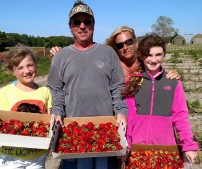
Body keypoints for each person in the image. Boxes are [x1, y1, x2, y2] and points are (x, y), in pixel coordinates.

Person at [46, 1, 128, 169]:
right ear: (70, 26)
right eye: (77, 22)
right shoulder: (61, 57)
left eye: (87, 22)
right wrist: (57, 112)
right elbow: (57, 90)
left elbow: (117, 87)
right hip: (73, 130)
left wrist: (120, 112)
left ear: (93, 25)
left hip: (106, 129)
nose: (82, 26)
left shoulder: (107, 53)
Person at [123, 33, 198, 166]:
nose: (153, 60)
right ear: (141, 55)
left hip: (166, 148)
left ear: (164, 55)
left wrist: (188, 145)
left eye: (158, 55)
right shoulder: (133, 82)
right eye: (149, 55)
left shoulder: (174, 83)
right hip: (138, 149)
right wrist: (127, 143)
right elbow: (129, 116)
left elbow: (180, 116)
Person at [0, 44, 52, 169]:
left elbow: (50, 122)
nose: (27, 71)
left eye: (30, 65)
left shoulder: (45, 92)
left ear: (36, 65)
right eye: (20, 67)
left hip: (36, 157)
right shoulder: (5, 92)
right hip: (8, 157)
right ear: (12, 71)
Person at [50, 26, 180, 80]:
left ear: (135, 42)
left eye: (129, 42)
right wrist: (61, 53)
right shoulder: (112, 63)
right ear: (115, 47)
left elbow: (157, 71)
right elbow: (85, 62)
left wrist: (172, 74)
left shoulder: (144, 61)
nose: (125, 47)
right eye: (120, 45)